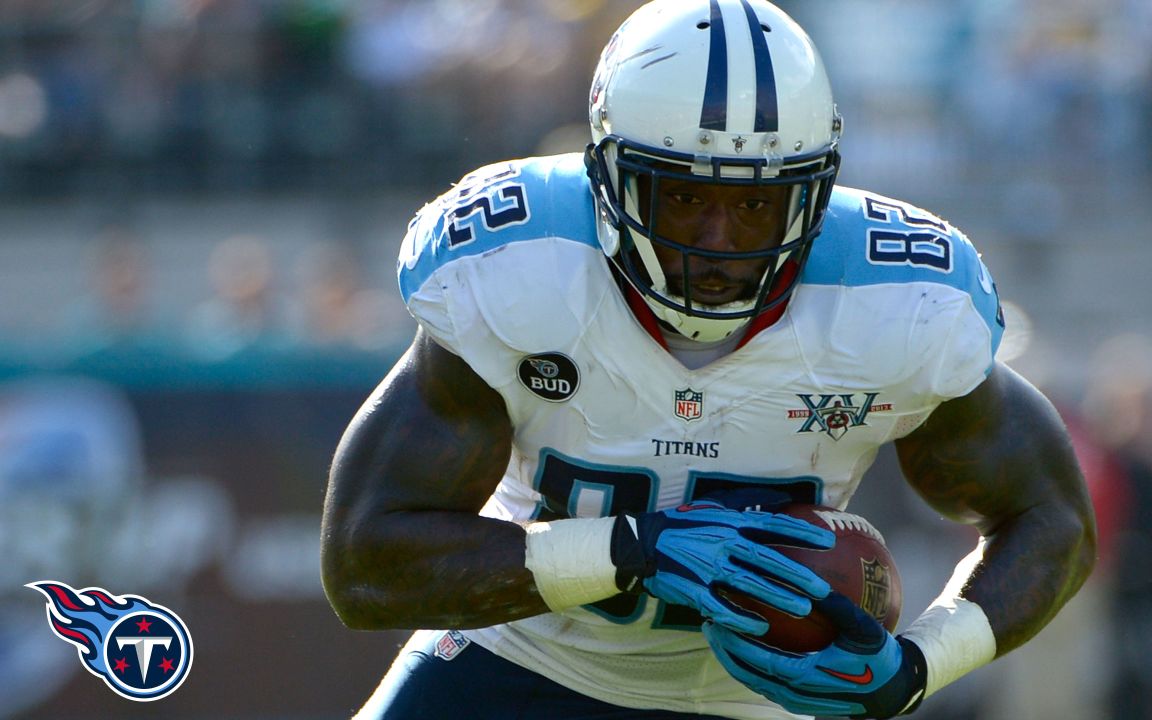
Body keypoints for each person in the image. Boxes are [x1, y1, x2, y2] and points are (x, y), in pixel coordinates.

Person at [320, 2, 1097, 718]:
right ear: (609, 179)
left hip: (771, 697)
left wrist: (920, 667)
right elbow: (366, 564)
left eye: (758, 204)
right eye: (684, 198)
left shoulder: (900, 302)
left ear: (813, 197)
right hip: (530, 656)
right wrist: (632, 548)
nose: (717, 243)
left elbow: (1053, 519)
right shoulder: (520, 265)